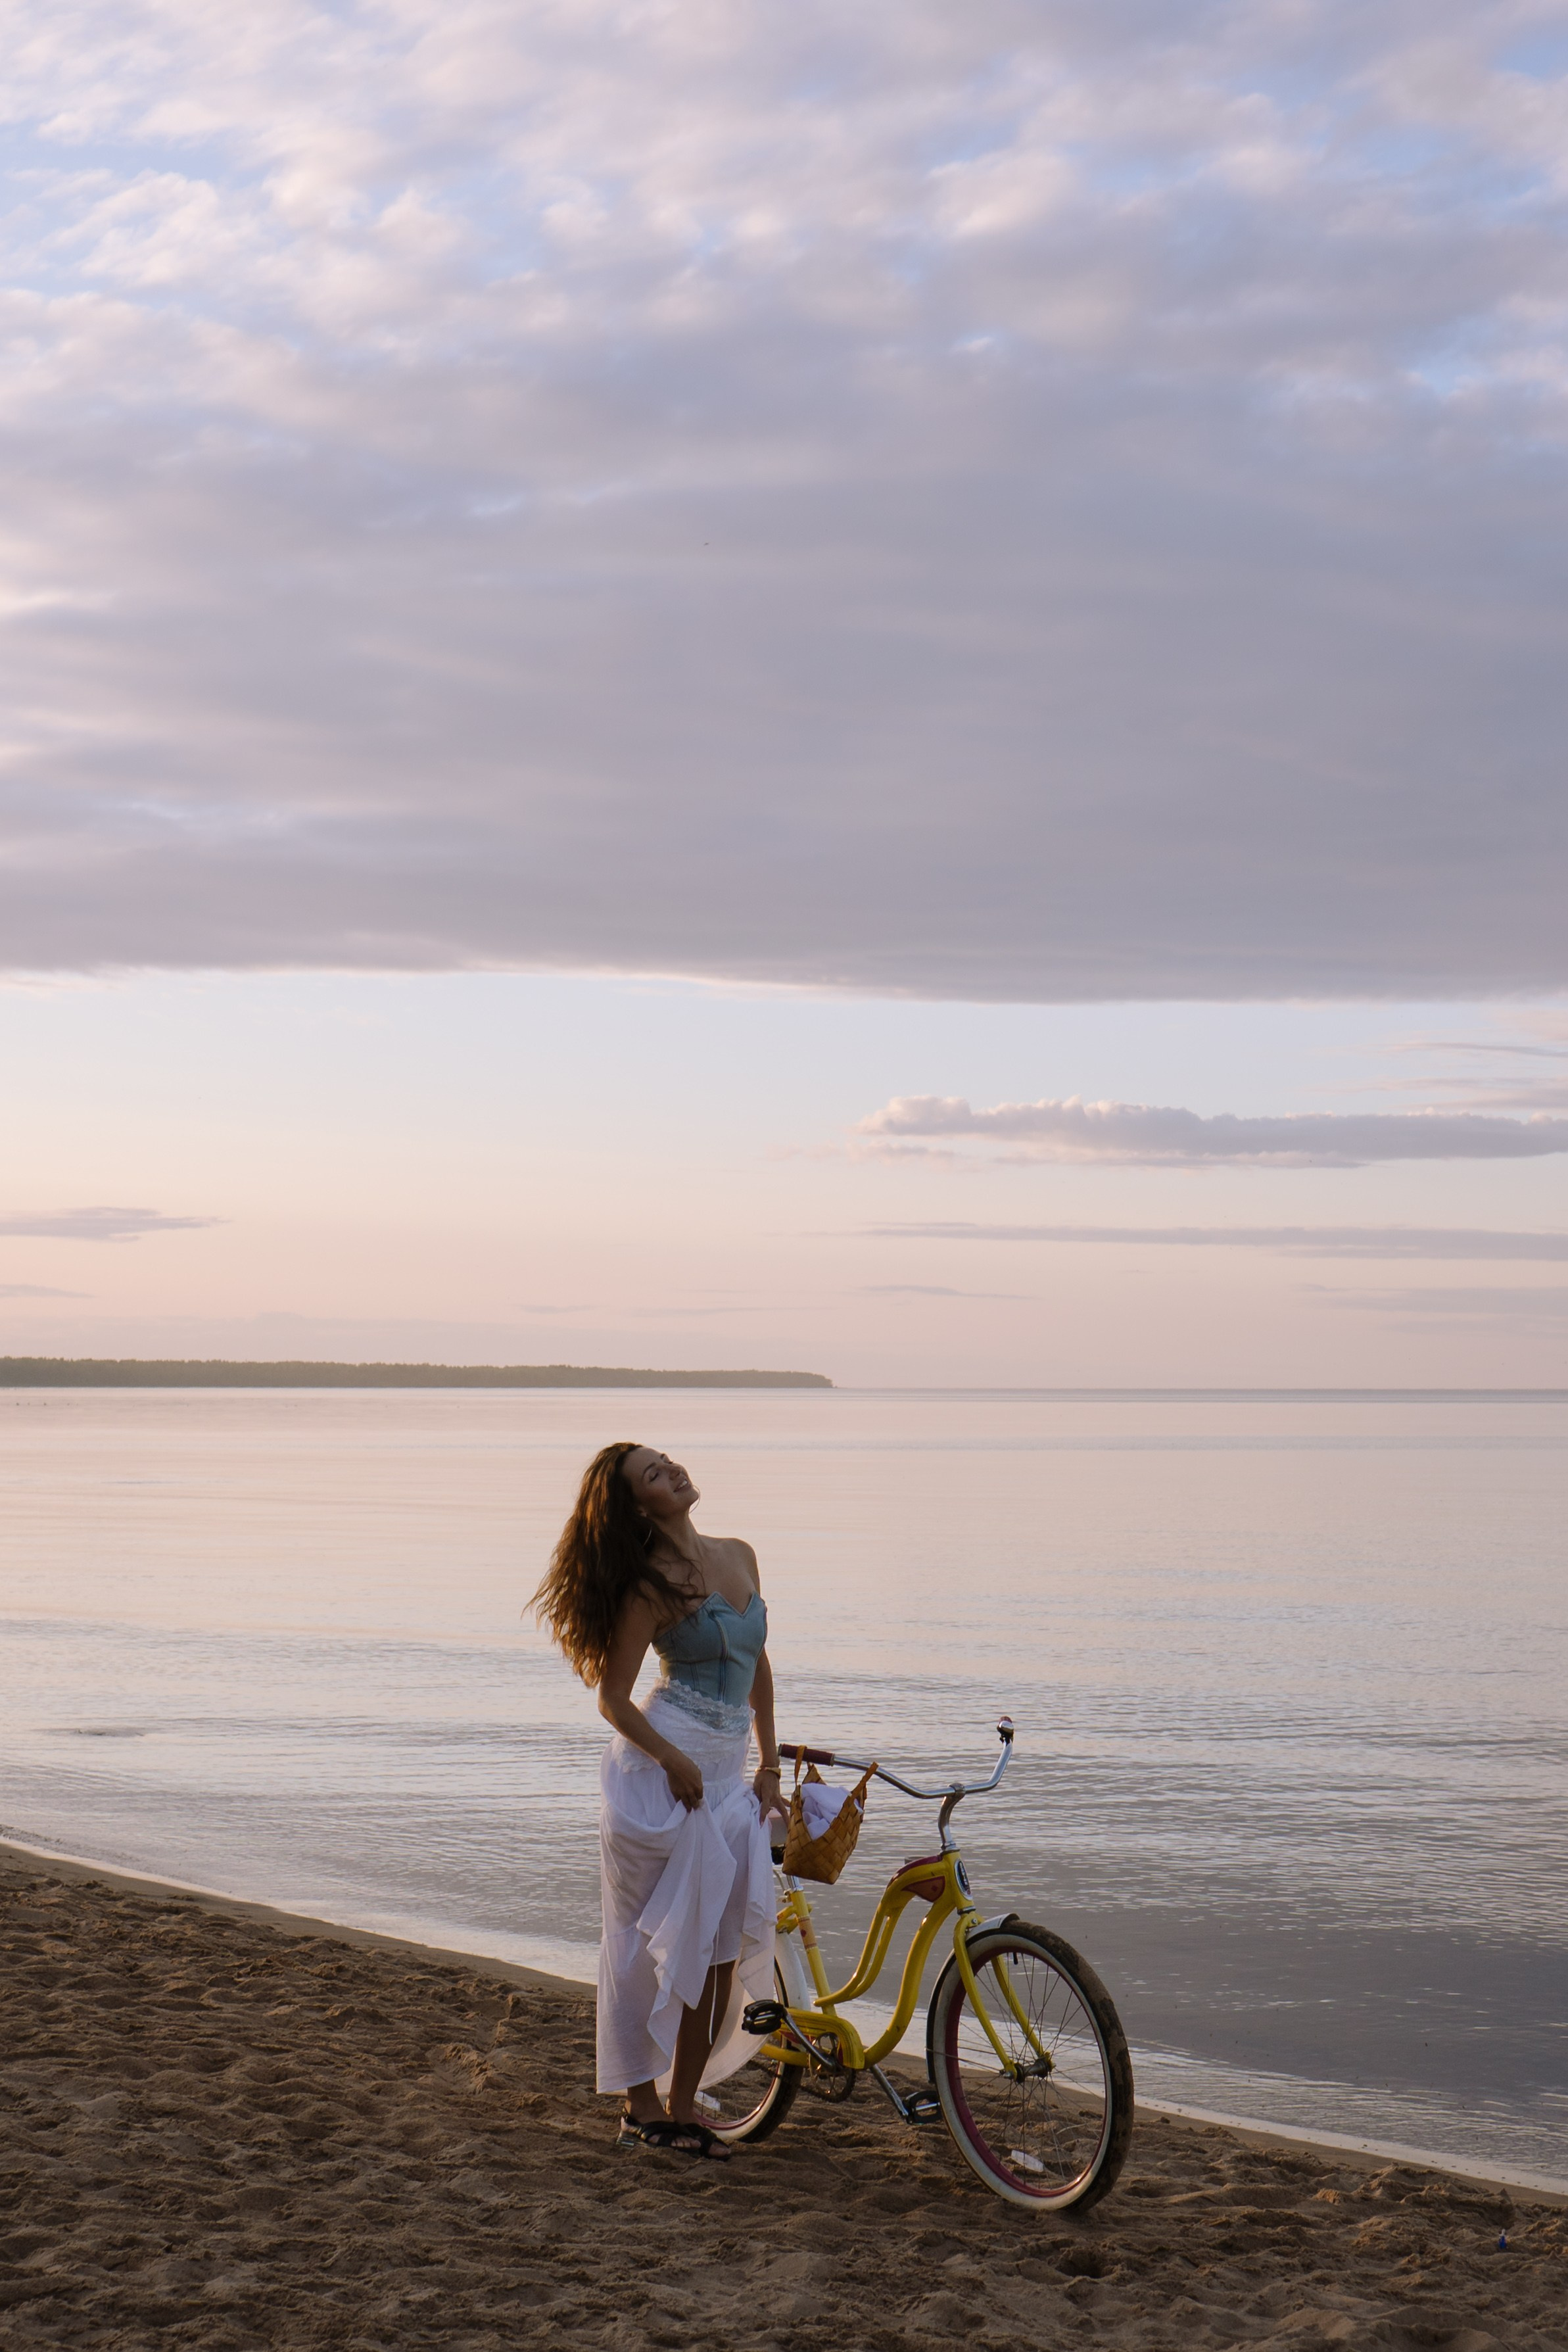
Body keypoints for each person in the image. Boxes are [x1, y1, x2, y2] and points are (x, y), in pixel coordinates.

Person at [532, 1441, 783, 2160]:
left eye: (666, 1459)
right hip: (659, 1781)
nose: (672, 1469)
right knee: (643, 1948)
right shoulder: (648, 1585)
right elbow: (612, 1697)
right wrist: (669, 1757)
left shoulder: (740, 1553)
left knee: (716, 1953)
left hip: (728, 1779)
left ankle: (683, 2106)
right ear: (640, 1505)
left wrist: (770, 1762)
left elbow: (759, 1661)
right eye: (653, 1473)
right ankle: (643, 2109)